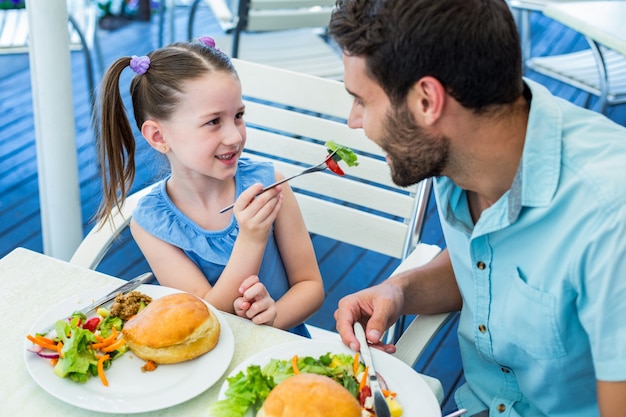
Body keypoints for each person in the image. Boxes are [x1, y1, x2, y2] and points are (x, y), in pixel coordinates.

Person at [327, 0, 626, 415]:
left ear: (427, 101)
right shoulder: (455, 151)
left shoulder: (611, 219)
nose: (353, 121)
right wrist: (399, 290)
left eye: (361, 100)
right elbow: (493, 263)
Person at [95, 37, 324, 337]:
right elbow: (205, 318)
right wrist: (251, 239)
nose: (234, 136)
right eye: (214, 122)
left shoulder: (270, 188)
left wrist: (274, 317)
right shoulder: (152, 225)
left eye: (238, 116)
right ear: (159, 137)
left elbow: (311, 286)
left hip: (283, 350)